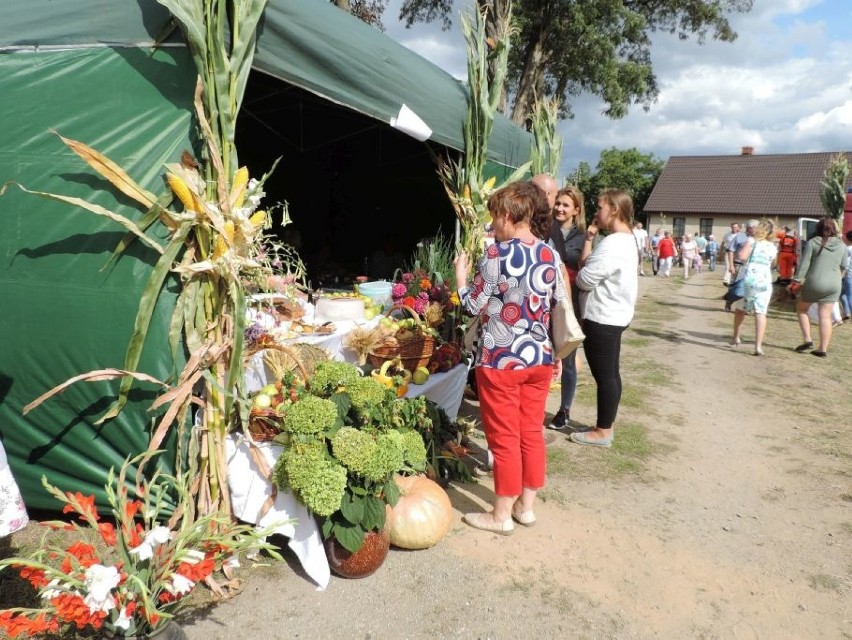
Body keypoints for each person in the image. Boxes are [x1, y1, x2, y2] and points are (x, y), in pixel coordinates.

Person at [454, 181, 559, 534]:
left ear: (508, 215)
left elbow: (472, 304)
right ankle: (525, 507)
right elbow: (553, 304)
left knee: (503, 438)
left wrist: (460, 278)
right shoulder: (548, 254)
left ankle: (500, 516)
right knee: (531, 432)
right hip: (539, 356)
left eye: (495, 216)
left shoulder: (497, 254)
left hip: (501, 359)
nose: (493, 224)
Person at [569, 189, 639, 447]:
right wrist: (589, 240)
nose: (596, 212)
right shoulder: (627, 240)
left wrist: (585, 269)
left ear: (614, 210)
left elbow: (585, 279)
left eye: (600, 207)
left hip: (603, 317)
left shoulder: (613, 244)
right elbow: (586, 266)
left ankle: (603, 431)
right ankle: (605, 424)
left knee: (605, 376)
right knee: (611, 374)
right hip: (614, 315)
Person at [547, 186, 586, 431]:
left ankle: (564, 409)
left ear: (576, 210)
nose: (560, 208)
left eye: (566, 205)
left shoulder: (583, 238)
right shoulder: (544, 230)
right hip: (544, 301)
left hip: (569, 303)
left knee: (568, 358)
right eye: (558, 203)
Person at [791, 217, 849, 357]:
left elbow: (804, 265)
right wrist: (837, 279)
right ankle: (822, 349)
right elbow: (844, 266)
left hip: (814, 282)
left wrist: (796, 281)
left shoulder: (813, 242)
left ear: (818, 228)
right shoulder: (842, 246)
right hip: (834, 284)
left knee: (802, 309)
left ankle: (807, 339)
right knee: (825, 316)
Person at [729, 219, 777, 355]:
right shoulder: (772, 247)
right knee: (761, 312)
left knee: (740, 310)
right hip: (765, 280)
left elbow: (742, 256)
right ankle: (758, 346)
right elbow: (773, 264)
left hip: (749, 278)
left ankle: (736, 337)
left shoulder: (751, 241)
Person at [841, 230, 852, 322]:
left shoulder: (848, 249)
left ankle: (848, 312)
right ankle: (847, 312)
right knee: (842, 294)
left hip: (849, 276)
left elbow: (846, 264)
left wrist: (842, 275)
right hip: (849, 276)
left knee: (849, 295)